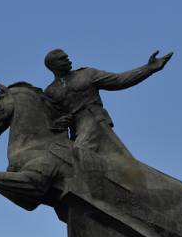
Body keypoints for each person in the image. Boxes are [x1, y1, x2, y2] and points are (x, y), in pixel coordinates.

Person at [42, 48, 172, 156]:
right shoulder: (50, 91)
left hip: (94, 121)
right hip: (75, 131)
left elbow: (119, 80)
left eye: (67, 57)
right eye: (62, 59)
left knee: (80, 153)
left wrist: (149, 68)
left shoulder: (87, 74)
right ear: (52, 66)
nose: (68, 59)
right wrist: (60, 122)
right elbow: (51, 121)